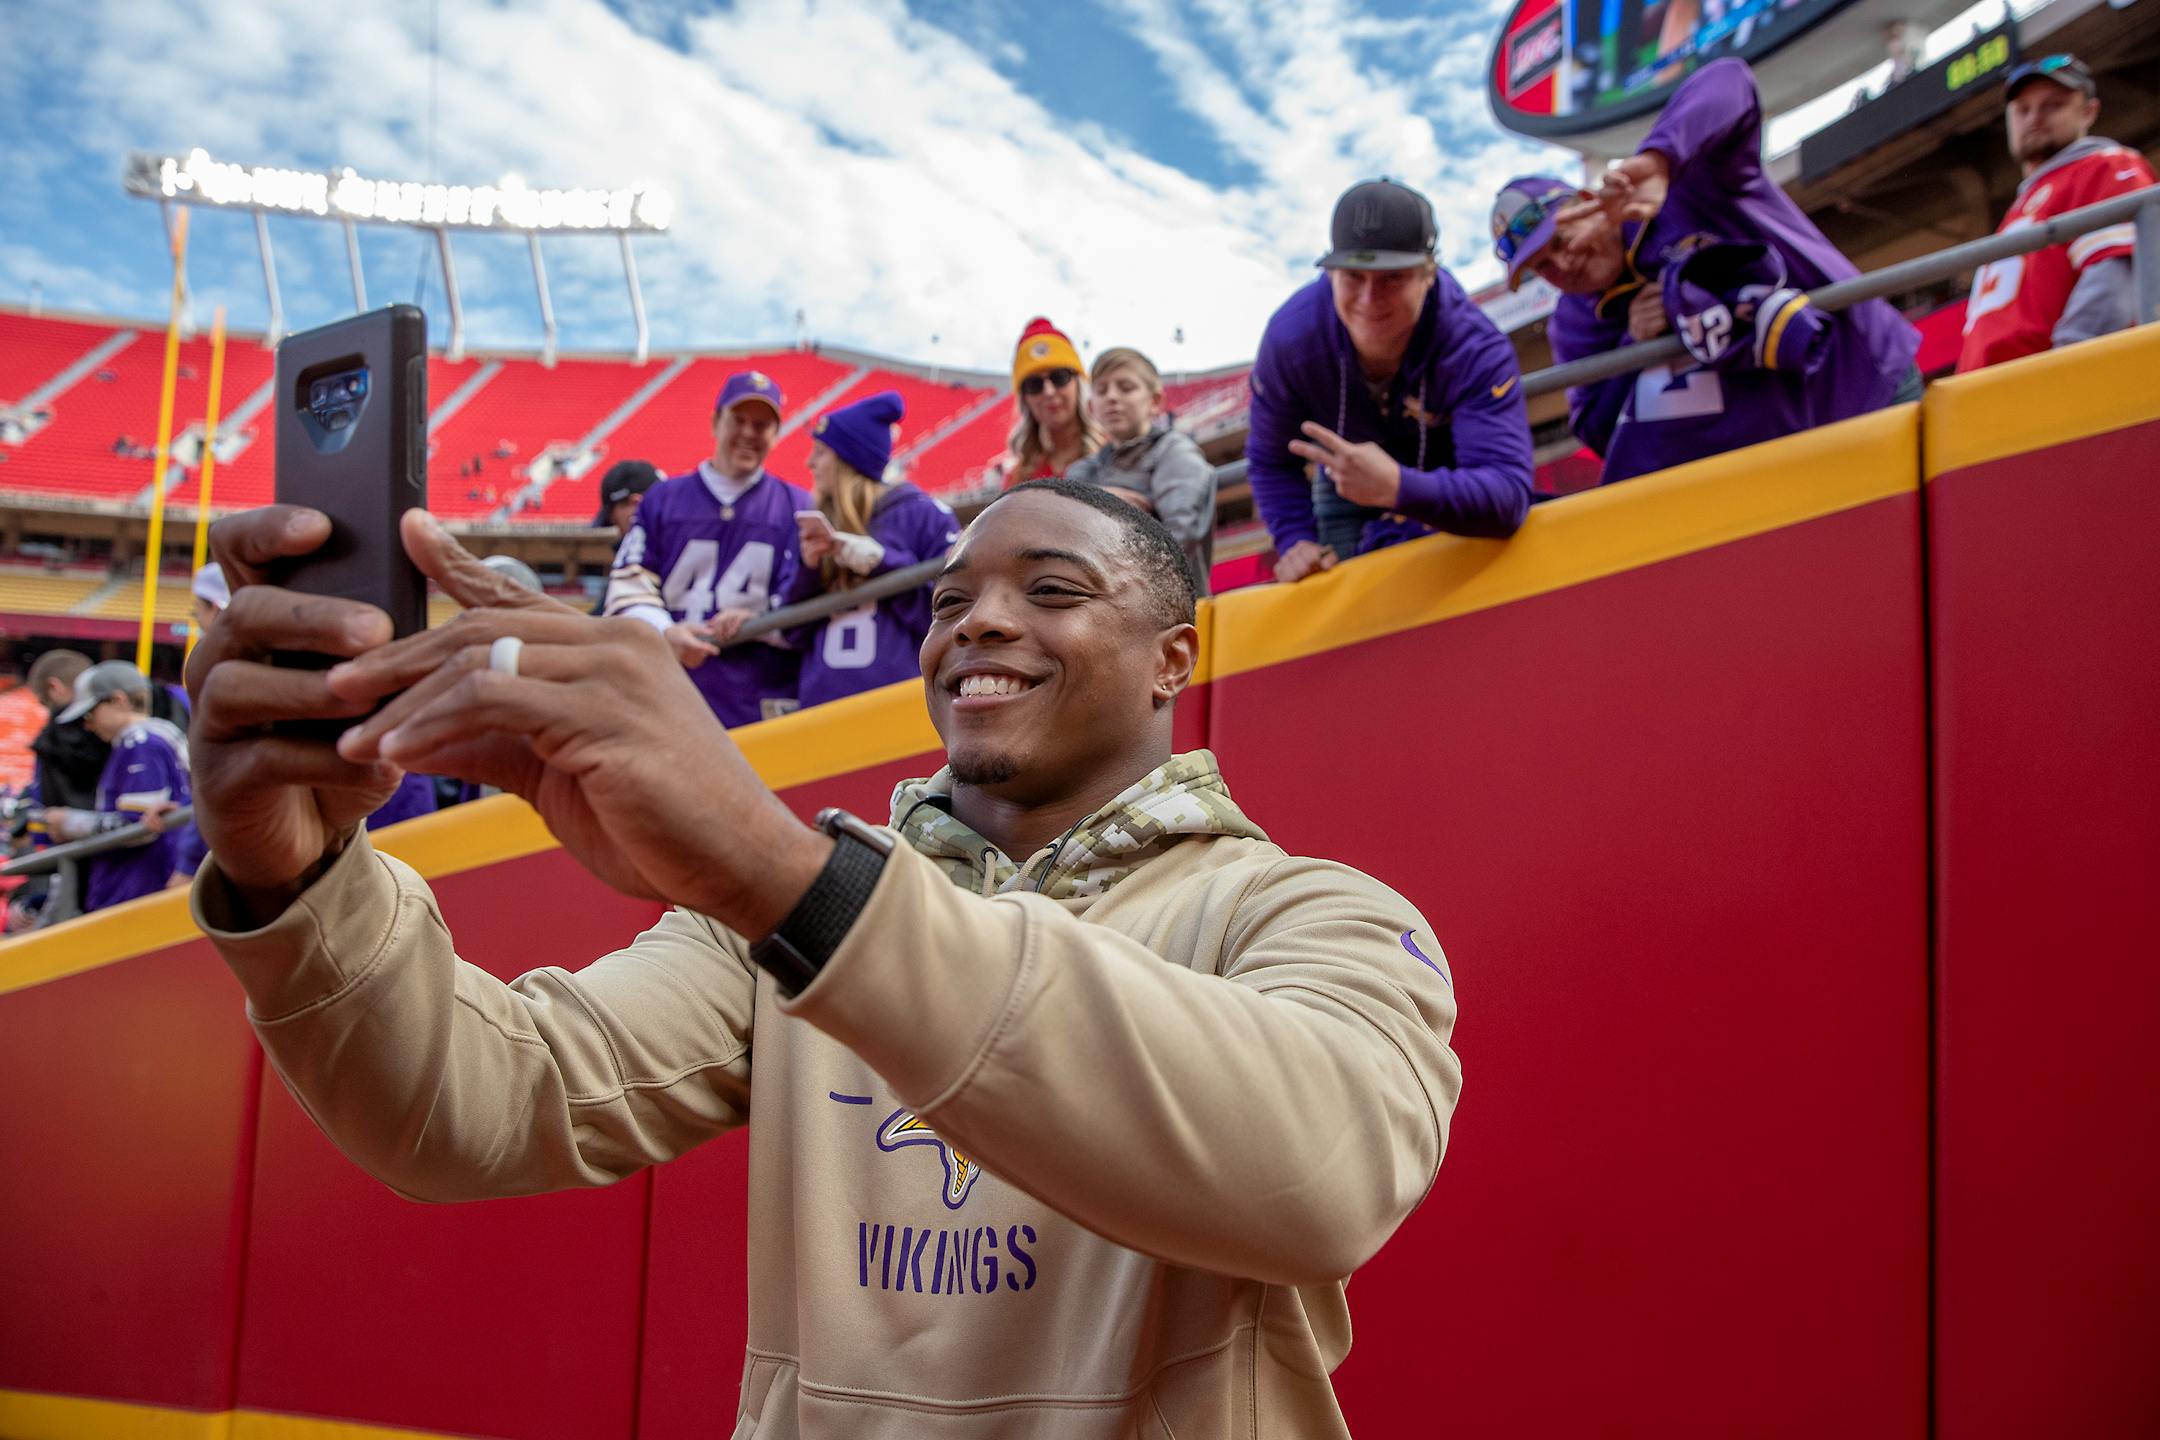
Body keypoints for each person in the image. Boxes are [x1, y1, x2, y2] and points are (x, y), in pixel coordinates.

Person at [183, 485, 1460, 1438]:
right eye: (950, 599)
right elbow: (473, 1108)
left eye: (1054, 593)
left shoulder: (1307, 912)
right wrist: (294, 876)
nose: (980, 624)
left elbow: (1318, 1179)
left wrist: (783, 877)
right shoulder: (787, 922)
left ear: (1174, 658)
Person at [1493, 58, 1922, 487]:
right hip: (1772, 466)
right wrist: (1632, 343)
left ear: (1587, 201)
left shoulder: (1690, 184)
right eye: (1540, 267)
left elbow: (1730, 79)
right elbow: (1596, 430)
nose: (1561, 266)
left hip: (1866, 390)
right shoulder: (1573, 322)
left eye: (1561, 242)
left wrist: (1661, 159)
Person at [1247, 178, 1534, 583]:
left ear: (1428, 274)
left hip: (1448, 475)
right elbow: (1270, 459)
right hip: (1345, 485)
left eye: (1391, 278)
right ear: (1330, 275)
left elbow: (1506, 493)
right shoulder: (1290, 338)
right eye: (1353, 276)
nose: (1368, 299)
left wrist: (1399, 486)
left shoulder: (1474, 345)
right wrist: (1295, 538)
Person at [602, 372, 807, 727]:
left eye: (760, 425)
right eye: (738, 420)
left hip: (758, 694)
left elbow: (808, 600)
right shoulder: (663, 500)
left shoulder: (798, 506)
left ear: (775, 435)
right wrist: (665, 632)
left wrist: (760, 619)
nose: (747, 433)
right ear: (716, 421)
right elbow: (629, 586)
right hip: (670, 688)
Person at [1958, 55, 2159, 374]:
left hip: (2048, 387)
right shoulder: (2022, 203)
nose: (2035, 118)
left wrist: (2067, 371)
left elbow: (2113, 283)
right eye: (2023, 109)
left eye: (2053, 105)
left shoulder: (2106, 165)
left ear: (2089, 111)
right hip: (1986, 395)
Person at [770, 390, 961, 708]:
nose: (809, 462)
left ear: (848, 459)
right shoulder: (815, 523)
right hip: (821, 708)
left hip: (899, 706)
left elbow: (951, 618)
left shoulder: (922, 515)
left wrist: (881, 562)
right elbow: (791, 633)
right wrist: (809, 570)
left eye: (820, 451)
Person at [40, 660, 189, 913]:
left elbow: (139, 827)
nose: (87, 724)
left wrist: (68, 822)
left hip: (136, 887)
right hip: (143, 883)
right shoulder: (162, 735)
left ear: (119, 700)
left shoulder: (141, 743)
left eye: (90, 713)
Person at [1068, 347, 1216, 594]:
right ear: (1092, 406)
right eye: (1102, 390)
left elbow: (1180, 535)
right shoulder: (1082, 471)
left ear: (1155, 401)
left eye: (1126, 387)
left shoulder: (1174, 451)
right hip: (1102, 609)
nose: (1112, 397)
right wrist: (1108, 502)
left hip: (1168, 607)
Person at [1003, 317, 1101, 482]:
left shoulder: (1113, 453)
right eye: (1034, 384)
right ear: (1025, 399)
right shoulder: (1018, 477)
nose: (1049, 392)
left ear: (1079, 384)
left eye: (1059, 377)